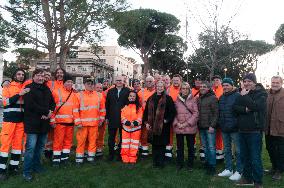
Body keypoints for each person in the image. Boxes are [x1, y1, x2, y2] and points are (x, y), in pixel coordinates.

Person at [233, 73, 267, 188]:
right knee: (244, 157)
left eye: (249, 81)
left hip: (255, 131)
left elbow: (257, 106)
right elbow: (235, 108)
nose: (247, 83)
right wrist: (246, 109)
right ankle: (247, 178)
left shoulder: (261, 93)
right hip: (242, 130)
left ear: (254, 82)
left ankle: (258, 181)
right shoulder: (241, 93)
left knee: (255, 157)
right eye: (245, 81)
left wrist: (245, 97)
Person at [22, 69, 55, 181]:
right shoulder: (28, 88)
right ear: (34, 76)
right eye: (39, 76)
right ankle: (27, 171)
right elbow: (31, 105)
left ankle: (37, 167)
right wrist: (46, 112)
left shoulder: (46, 88)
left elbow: (53, 103)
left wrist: (49, 113)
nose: (41, 78)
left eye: (42, 76)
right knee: (30, 148)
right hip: (32, 123)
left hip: (44, 123)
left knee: (40, 147)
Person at [0, 69, 28, 180]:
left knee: (17, 146)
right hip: (9, 121)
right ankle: (1, 171)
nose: (21, 76)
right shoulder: (7, 87)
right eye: (18, 74)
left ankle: (13, 168)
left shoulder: (25, 87)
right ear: (14, 75)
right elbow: (5, 102)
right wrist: (19, 94)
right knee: (5, 145)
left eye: (22, 74)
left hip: (21, 122)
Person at [143, 81, 176, 168]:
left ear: (164, 88)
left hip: (163, 126)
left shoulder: (168, 98)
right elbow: (146, 112)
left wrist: (166, 120)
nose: (160, 88)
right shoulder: (151, 98)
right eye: (158, 86)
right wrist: (146, 122)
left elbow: (172, 112)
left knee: (162, 145)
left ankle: (161, 162)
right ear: (156, 87)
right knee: (154, 144)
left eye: (161, 86)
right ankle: (155, 162)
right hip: (152, 125)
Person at [50, 74, 80, 167]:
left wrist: (77, 121)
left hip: (70, 122)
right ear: (63, 82)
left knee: (68, 142)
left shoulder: (74, 94)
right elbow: (51, 107)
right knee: (58, 141)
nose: (69, 83)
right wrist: (52, 120)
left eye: (71, 82)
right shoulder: (56, 92)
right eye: (67, 82)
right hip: (59, 122)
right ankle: (56, 160)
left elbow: (75, 109)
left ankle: (64, 159)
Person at [75, 78, 105, 165]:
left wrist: (101, 119)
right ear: (84, 84)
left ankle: (91, 158)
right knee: (81, 141)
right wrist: (78, 122)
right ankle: (79, 160)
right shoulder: (78, 95)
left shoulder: (99, 95)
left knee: (93, 141)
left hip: (94, 124)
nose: (90, 85)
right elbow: (75, 110)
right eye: (88, 83)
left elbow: (102, 109)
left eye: (92, 84)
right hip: (82, 124)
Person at [217, 78, 243, 181]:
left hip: (235, 129)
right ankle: (229, 169)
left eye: (227, 85)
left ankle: (239, 170)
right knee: (227, 149)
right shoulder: (222, 97)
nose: (225, 87)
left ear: (232, 85)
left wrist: (236, 124)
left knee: (238, 151)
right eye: (224, 85)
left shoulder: (237, 96)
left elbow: (240, 112)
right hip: (224, 128)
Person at [173, 82, 198, 171]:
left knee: (190, 147)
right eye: (183, 88)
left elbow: (196, 113)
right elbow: (174, 113)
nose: (185, 90)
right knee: (180, 147)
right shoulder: (177, 100)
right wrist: (177, 123)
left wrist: (186, 123)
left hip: (190, 127)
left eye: (187, 88)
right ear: (181, 90)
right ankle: (180, 163)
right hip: (179, 126)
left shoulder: (193, 100)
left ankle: (190, 164)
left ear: (189, 89)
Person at [105, 75, 130, 161]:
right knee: (111, 137)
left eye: (120, 80)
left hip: (123, 118)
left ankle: (120, 154)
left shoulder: (128, 91)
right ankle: (111, 154)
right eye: (117, 80)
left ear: (123, 81)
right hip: (112, 117)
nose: (119, 82)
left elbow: (130, 104)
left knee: (123, 137)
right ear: (115, 81)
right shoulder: (110, 91)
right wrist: (107, 117)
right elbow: (107, 105)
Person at [45, 68, 66, 160]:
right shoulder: (51, 83)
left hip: (64, 113)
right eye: (58, 73)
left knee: (61, 135)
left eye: (61, 73)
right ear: (55, 74)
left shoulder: (67, 83)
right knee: (50, 133)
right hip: (53, 111)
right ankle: (48, 151)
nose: (60, 74)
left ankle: (59, 151)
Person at [265, 76, 284, 180]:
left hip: (281, 128)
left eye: (277, 82)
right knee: (270, 148)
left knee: (280, 151)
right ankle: (274, 166)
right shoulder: (267, 94)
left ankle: (279, 170)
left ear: (281, 83)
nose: (275, 84)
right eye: (273, 82)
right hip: (268, 128)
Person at [198, 81, 218, 175]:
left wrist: (212, 126)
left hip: (209, 127)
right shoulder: (199, 98)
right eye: (201, 86)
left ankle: (212, 165)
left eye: (204, 86)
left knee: (211, 147)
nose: (202, 88)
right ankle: (207, 162)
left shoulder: (213, 98)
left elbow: (216, 113)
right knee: (205, 147)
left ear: (209, 88)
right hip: (201, 126)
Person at [120, 91, 143, 165]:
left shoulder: (139, 107)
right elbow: (122, 116)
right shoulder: (124, 106)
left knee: (134, 144)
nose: (132, 97)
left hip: (136, 129)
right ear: (128, 97)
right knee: (125, 144)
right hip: (126, 128)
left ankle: (133, 158)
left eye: (133, 96)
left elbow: (140, 117)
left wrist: (135, 123)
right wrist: (127, 122)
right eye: (130, 96)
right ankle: (125, 158)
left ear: (136, 98)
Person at [138, 76, 156, 157]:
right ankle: (144, 151)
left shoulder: (157, 91)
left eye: (150, 81)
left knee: (155, 134)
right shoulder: (140, 92)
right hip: (144, 117)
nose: (148, 83)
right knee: (144, 135)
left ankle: (155, 150)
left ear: (154, 82)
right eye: (147, 81)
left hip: (154, 118)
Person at [165, 74, 182, 161]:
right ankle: (168, 153)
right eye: (174, 80)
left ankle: (179, 152)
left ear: (180, 81)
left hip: (181, 116)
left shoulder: (184, 89)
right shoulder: (168, 90)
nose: (176, 82)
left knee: (179, 135)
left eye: (177, 80)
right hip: (171, 115)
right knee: (169, 134)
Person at [212, 75, 224, 162]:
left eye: (217, 80)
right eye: (214, 80)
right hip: (212, 116)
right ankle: (215, 153)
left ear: (220, 81)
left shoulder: (223, 89)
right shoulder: (211, 89)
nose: (216, 81)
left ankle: (220, 155)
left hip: (221, 115)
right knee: (213, 136)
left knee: (220, 136)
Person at [94, 83, 107, 158]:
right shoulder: (92, 96)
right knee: (93, 136)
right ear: (94, 88)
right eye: (97, 87)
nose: (99, 89)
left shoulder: (104, 96)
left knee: (101, 135)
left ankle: (99, 149)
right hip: (93, 119)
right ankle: (92, 149)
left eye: (101, 88)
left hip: (102, 119)